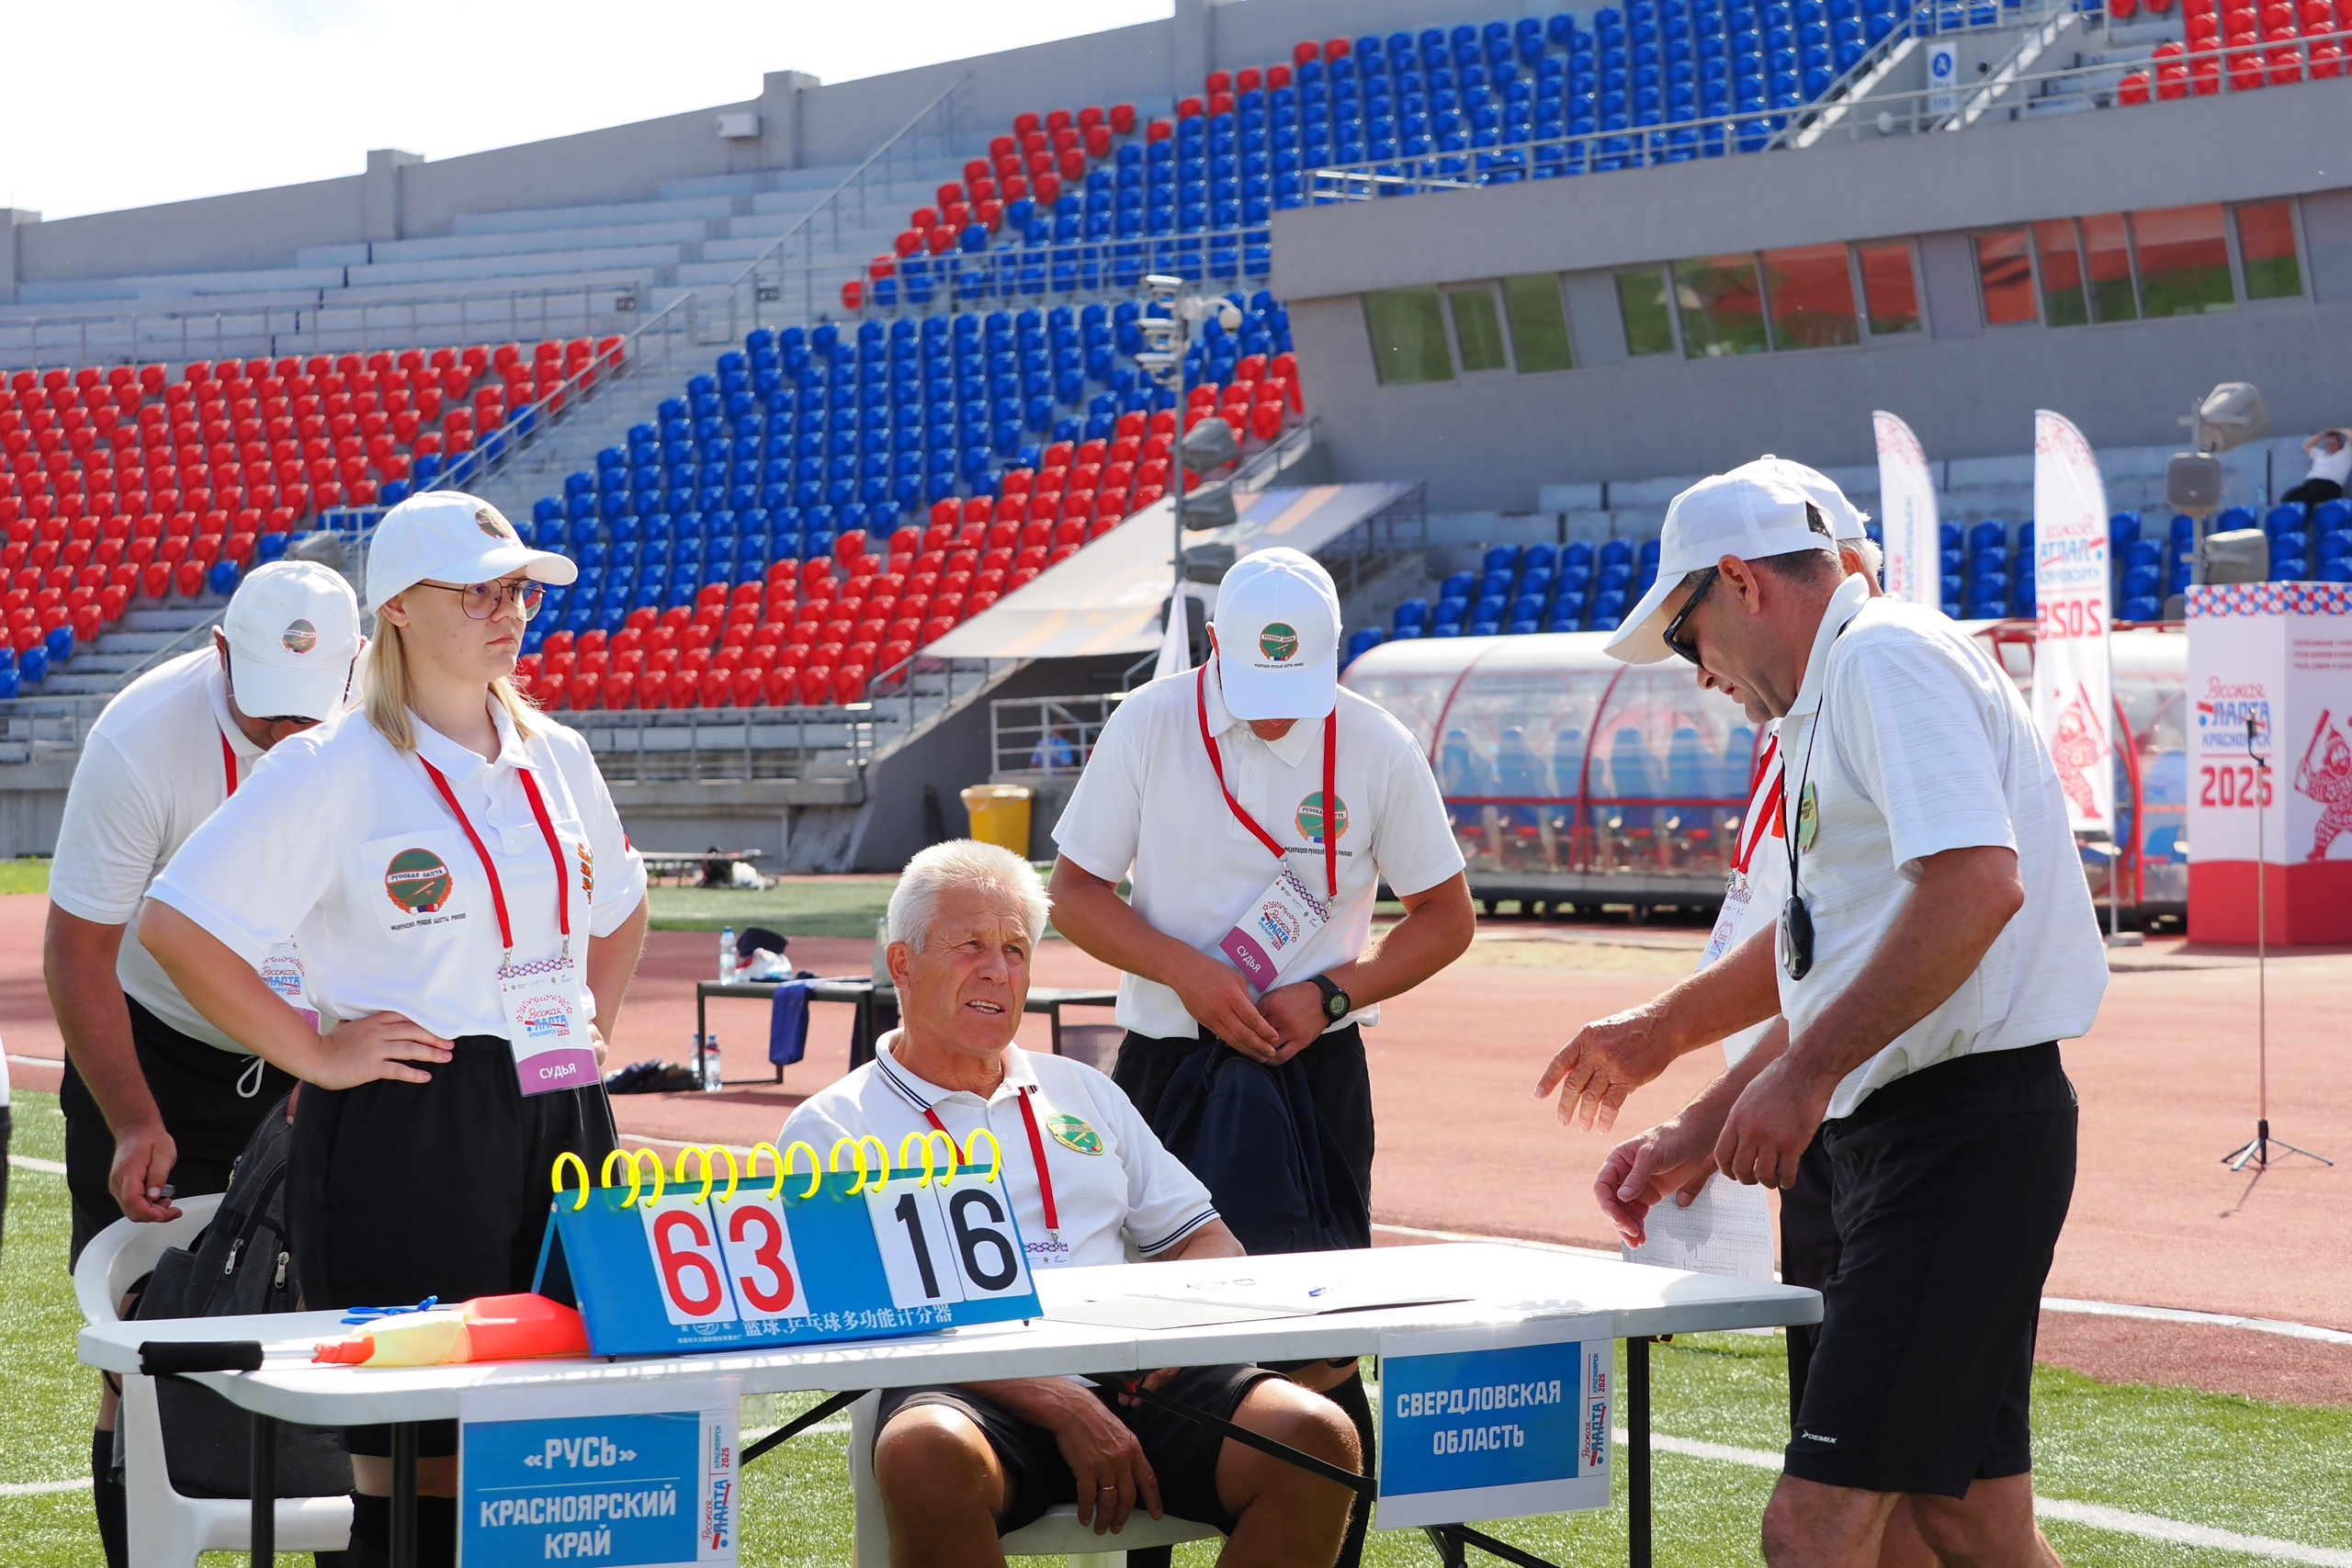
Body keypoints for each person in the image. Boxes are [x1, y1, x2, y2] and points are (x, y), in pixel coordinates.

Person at [1541, 469, 2105, 1567]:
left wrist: (1797, 1081)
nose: (1692, 670)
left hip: (1950, 1135)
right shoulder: (1836, 687)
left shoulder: (1882, 660)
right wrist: (1697, 1106)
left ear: (1741, 582)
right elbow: (1827, 953)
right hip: (1922, 1133)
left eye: (1681, 631)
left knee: (1816, 1529)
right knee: (1966, 1523)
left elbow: (1974, 888)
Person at [138, 491, 649, 1568]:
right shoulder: (329, 765)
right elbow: (179, 926)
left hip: (562, 1100)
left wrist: (584, 1019)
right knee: (416, 1467)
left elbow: (623, 904)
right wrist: (315, 1051)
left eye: (516, 589)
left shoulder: (557, 749)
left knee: (552, 1451)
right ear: (400, 609)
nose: (507, 611)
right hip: (411, 1119)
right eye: (477, 591)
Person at [1046, 547, 1475, 1567]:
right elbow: (1076, 894)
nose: (1278, 713)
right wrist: (1189, 973)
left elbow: (1444, 919)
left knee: (1320, 1338)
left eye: (1298, 686)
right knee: (1148, 1336)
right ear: (1210, 647)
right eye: (1255, 685)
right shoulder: (1149, 722)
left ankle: (1325, 1543)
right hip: (1161, 1064)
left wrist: (1329, 995)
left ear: (1334, 656)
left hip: (1309, 1073)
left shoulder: (1373, 743)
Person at [782, 840, 1361, 1568]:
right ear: (902, 964)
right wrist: (1053, 1398)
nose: (998, 970)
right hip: (969, 1390)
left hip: (1133, 1380)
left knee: (1315, 1436)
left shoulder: (1084, 1090)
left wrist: (1169, 1343)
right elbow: (856, 1308)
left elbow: (1209, 1242)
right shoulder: (834, 1123)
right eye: (970, 946)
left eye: (1016, 950)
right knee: (922, 1451)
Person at [43, 558, 361, 1565]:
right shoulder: (140, 741)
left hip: (321, 1054)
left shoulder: (388, 724)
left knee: (345, 1335)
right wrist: (135, 1117)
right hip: (160, 1051)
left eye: (310, 709)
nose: (287, 732)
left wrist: (328, 1062)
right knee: (138, 1346)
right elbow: (78, 952)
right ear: (217, 653)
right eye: (266, 709)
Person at [2281, 427, 2352, 509]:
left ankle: (2304, 519)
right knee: (2288, 497)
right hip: (2310, 484)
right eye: (2328, 444)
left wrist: (2337, 430)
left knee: (2308, 497)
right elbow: (2306, 445)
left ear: (2339, 444)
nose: (2330, 446)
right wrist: (2323, 434)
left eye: (2333, 444)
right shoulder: (2320, 454)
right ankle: (2290, 519)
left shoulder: (2346, 453)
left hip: (2331, 485)